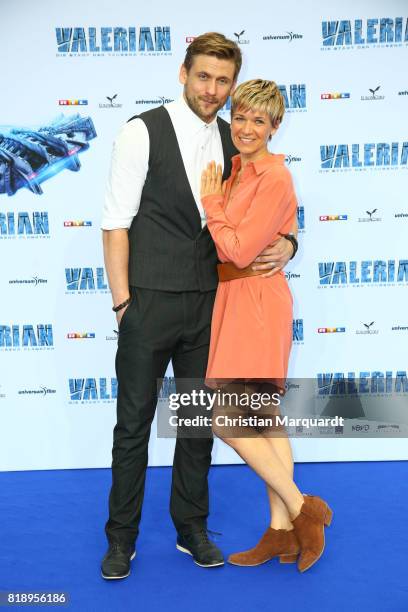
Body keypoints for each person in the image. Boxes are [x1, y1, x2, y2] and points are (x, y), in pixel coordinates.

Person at [100, 33, 297, 580]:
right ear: (183, 72)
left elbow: (271, 212)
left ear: (233, 87)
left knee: (195, 426)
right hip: (148, 303)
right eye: (204, 76)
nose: (212, 90)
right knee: (133, 426)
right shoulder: (141, 132)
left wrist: (292, 243)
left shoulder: (239, 143)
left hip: (212, 308)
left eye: (223, 81)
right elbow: (115, 223)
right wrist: (123, 305)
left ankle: (192, 528)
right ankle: (121, 540)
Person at [200, 79, 332, 573]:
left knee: (227, 421)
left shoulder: (272, 176)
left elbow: (236, 248)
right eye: (240, 118)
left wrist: (211, 203)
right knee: (264, 421)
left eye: (259, 120)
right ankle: (281, 533)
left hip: (256, 303)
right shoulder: (238, 170)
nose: (247, 128)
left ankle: (303, 512)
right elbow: (274, 232)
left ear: (276, 126)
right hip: (237, 299)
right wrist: (289, 241)